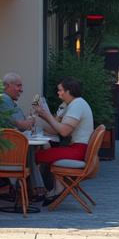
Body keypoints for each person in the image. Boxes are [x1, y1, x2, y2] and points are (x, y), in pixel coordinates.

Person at [34, 77, 95, 205]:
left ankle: (39, 191)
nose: (58, 93)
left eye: (60, 90)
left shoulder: (77, 105)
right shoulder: (74, 104)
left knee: (37, 156)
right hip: (79, 149)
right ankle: (57, 189)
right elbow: (56, 129)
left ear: (69, 91)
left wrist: (46, 115)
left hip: (78, 151)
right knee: (48, 152)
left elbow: (63, 132)